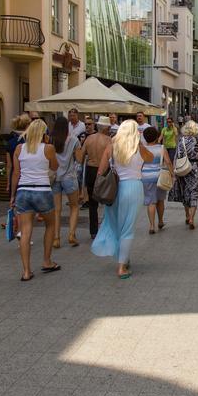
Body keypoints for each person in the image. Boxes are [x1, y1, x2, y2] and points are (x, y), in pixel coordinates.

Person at [91, 120, 155, 279]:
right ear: (136, 132)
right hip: (133, 188)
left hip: (115, 188)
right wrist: (139, 144)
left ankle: (123, 259)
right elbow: (151, 157)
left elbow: (100, 171)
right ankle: (121, 267)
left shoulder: (112, 147)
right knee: (127, 228)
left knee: (116, 225)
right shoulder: (138, 148)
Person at [9, 119, 59, 281]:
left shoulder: (19, 149)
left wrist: (12, 195)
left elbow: (16, 173)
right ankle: (46, 261)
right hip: (42, 190)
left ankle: (26, 271)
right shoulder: (48, 148)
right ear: (44, 133)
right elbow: (55, 167)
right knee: (50, 224)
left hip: (23, 191)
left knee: (25, 231)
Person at [51, 119, 84, 249]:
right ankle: (71, 235)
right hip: (69, 176)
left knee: (56, 210)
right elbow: (79, 159)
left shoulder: (51, 140)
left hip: (55, 176)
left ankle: (56, 238)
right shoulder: (74, 140)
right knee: (74, 206)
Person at [168, 119, 198, 229]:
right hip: (196, 168)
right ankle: (192, 218)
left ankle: (187, 215)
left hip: (183, 168)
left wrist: (174, 170)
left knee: (185, 192)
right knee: (194, 193)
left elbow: (177, 156)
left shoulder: (181, 140)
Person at [82, 117, 112, 239]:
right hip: (104, 171)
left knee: (93, 203)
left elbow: (80, 158)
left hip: (90, 170)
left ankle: (93, 231)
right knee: (108, 200)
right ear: (106, 128)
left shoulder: (88, 139)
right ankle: (107, 227)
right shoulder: (109, 140)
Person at [140, 126, 173, 234]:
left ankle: (151, 226)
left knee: (151, 201)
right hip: (159, 176)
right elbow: (168, 162)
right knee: (160, 200)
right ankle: (161, 221)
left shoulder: (142, 149)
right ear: (157, 137)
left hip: (146, 176)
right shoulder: (161, 148)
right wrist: (172, 175)